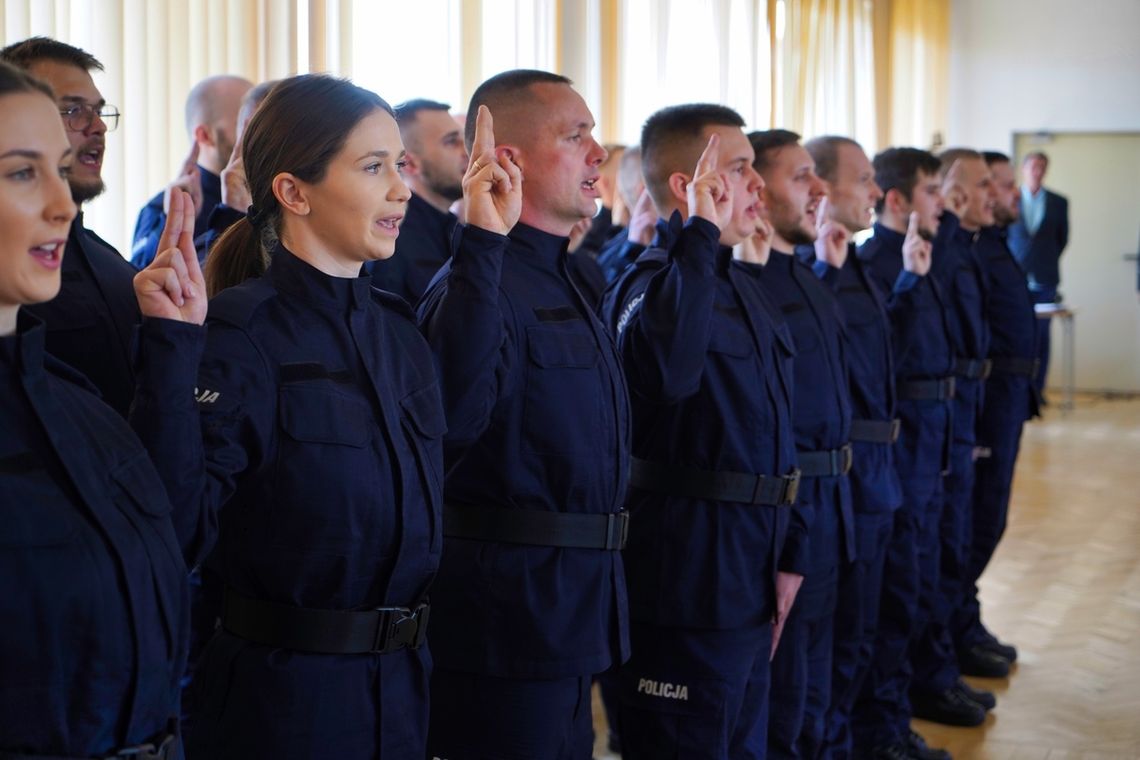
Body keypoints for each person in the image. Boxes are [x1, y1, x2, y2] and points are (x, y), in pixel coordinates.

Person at [130, 74, 444, 758]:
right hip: (285, 703)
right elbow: (174, 530)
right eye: (372, 167)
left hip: (401, 691)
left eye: (399, 165)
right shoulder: (241, 334)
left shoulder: (399, 332)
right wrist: (172, 345)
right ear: (294, 192)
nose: (400, 189)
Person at [417, 70, 630, 760]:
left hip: (575, 606)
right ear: (508, 158)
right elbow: (446, 426)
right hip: (506, 621)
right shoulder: (477, 283)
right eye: (576, 135)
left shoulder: (575, 275)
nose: (598, 152)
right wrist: (483, 245)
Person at [0, 59, 187, 760]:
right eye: (22, 172)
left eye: (57, 169)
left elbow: (177, 534)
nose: (63, 204)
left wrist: (172, 348)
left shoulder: (67, 396)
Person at [600, 104, 797, 758]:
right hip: (683, 585)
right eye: (741, 171)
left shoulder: (742, 288)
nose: (758, 187)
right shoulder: (648, 286)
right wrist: (698, 240)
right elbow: (670, 377)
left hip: (752, 572)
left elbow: (777, 432)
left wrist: (793, 551)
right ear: (691, 188)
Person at [749, 129, 854, 760]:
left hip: (834, 500)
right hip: (792, 506)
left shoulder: (809, 277)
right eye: (801, 177)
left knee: (818, 674)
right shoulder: (751, 286)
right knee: (783, 694)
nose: (820, 190)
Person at [800, 135, 902, 759]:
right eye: (862, 180)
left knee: (864, 625)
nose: (873, 193)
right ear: (824, 188)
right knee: (831, 641)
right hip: (841, 475)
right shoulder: (814, 274)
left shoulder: (850, 262)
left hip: (873, 470)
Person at [854, 146, 955, 760]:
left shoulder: (916, 256)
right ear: (899, 201)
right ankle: (880, 727)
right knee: (895, 591)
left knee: (918, 578)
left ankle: (894, 715)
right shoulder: (871, 262)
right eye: (931, 191)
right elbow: (882, 361)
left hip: (927, 435)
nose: (941, 203)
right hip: (895, 441)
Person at [0, 37, 139, 418]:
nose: (97, 127)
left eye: (97, 111)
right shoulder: (17, 274)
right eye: (74, 110)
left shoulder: (115, 265)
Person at [950, 151, 1038, 673]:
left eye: (1004, 186)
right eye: (995, 185)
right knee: (978, 520)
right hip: (984, 400)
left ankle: (964, 616)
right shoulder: (969, 249)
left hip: (1007, 395)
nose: (1003, 195)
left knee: (989, 518)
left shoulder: (995, 244)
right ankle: (956, 626)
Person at [131, 74, 253, 267]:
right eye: (244, 124)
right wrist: (171, 222)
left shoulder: (276, 196)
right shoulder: (164, 209)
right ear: (204, 135)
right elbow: (139, 280)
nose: (256, 134)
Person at [369, 98, 466, 304]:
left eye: (464, 140)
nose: (466, 152)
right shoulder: (392, 238)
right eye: (451, 142)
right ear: (411, 164)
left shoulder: (455, 227)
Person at [1007, 151, 1069, 397]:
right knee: (1017, 332)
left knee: (1042, 337)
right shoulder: (1011, 198)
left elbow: (1062, 239)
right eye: (1033, 166)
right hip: (1015, 276)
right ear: (1024, 169)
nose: (1037, 171)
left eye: (1042, 166)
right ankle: (1019, 389)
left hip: (1045, 278)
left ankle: (1037, 390)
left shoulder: (1058, 202)